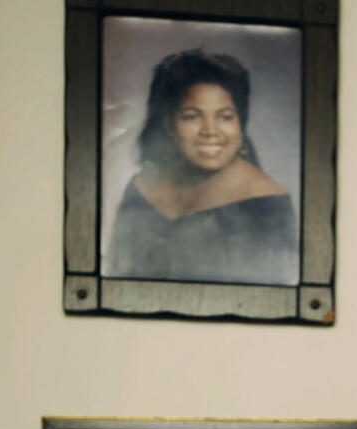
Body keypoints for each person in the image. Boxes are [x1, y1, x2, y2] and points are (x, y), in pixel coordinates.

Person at [104, 49, 298, 286]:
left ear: (241, 122)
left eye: (225, 117)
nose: (210, 131)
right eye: (192, 116)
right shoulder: (140, 189)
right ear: (168, 122)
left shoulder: (267, 207)